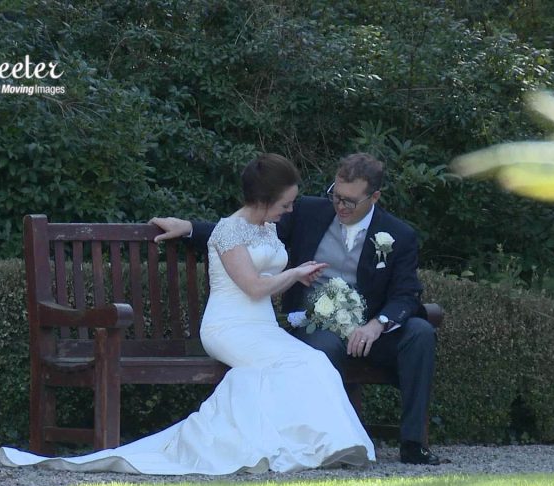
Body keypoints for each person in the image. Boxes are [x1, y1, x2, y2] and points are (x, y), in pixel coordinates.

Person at [0, 153, 375, 474]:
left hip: (263, 328)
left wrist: (292, 274)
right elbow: (253, 287)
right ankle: (267, 446)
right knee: (294, 364)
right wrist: (295, 273)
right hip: (230, 328)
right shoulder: (228, 232)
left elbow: (263, 277)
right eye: (285, 204)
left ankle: (325, 446)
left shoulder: (266, 227)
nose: (289, 211)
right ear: (264, 200)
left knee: (311, 362)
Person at [151, 153, 443, 465]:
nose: (340, 206)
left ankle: (413, 444)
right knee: (320, 353)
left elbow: (406, 294)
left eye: (350, 201)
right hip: (316, 327)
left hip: (369, 331)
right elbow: (245, 232)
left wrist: (377, 324)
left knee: (420, 332)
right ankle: (329, 442)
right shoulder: (308, 212)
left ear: (374, 197)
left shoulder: (399, 234)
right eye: (336, 196)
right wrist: (190, 228)